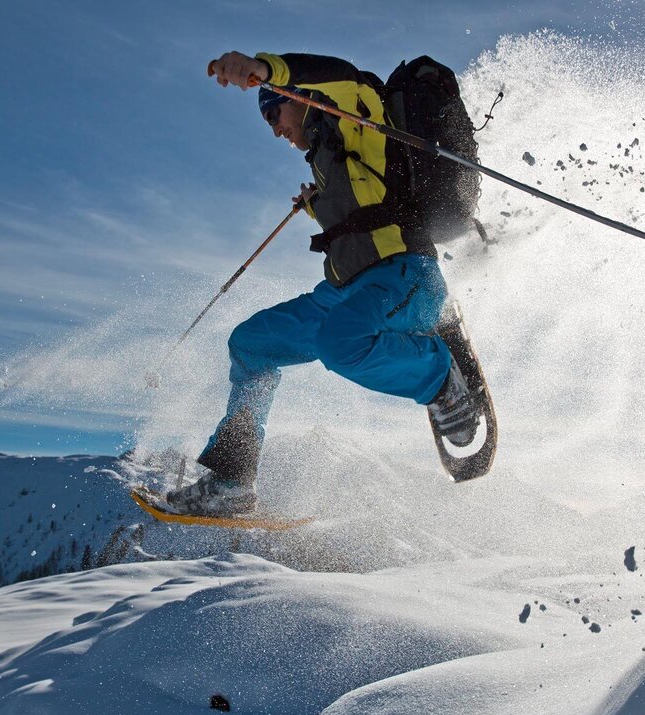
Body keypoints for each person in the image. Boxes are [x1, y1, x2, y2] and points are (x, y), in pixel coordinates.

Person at [167, 50, 478, 515]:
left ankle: (441, 377)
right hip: (345, 292)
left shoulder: (357, 111)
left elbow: (344, 76)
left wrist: (265, 68)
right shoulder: (326, 159)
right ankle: (233, 478)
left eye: (274, 110)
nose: (274, 127)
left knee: (341, 344)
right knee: (251, 343)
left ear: (298, 97)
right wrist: (317, 204)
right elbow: (365, 206)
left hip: (405, 277)